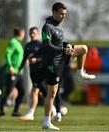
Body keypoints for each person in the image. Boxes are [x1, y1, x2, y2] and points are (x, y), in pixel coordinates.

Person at [39, 2, 95, 130]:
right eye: (61, 14)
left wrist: (67, 45)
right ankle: (46, 122)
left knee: (84, 49)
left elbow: (59, 42)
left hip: (62, 56)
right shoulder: (47, 27)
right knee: (52, 94)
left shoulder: (59, 26)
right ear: (54, 12)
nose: (63, 16)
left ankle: (80, 72)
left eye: (65, 14)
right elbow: (46, 45)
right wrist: (63, 50)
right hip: (53, 63)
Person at [18, 26, 47, 121]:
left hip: (41, 72)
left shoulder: (42, 45)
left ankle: (31, 114)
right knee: (42, 93)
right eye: (30, 33)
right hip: (32, 72)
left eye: (34, 33)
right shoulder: (27, 45)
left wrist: (37, 60)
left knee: (35, 92)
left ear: (38, 34)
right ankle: (56, 111)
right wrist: (18, 70)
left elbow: (46, 59)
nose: (32, 35)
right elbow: (24, 59)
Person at [0, 27, 25, 117]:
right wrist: (10, 66)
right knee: (8, 90)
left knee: (22, 92)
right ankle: (1, 110)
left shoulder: (18, 43)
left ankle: (15, 111)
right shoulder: (13, 42)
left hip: (19, 73)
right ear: (20, 33)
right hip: (12, 72)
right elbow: (7, 53)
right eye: (23, 33)